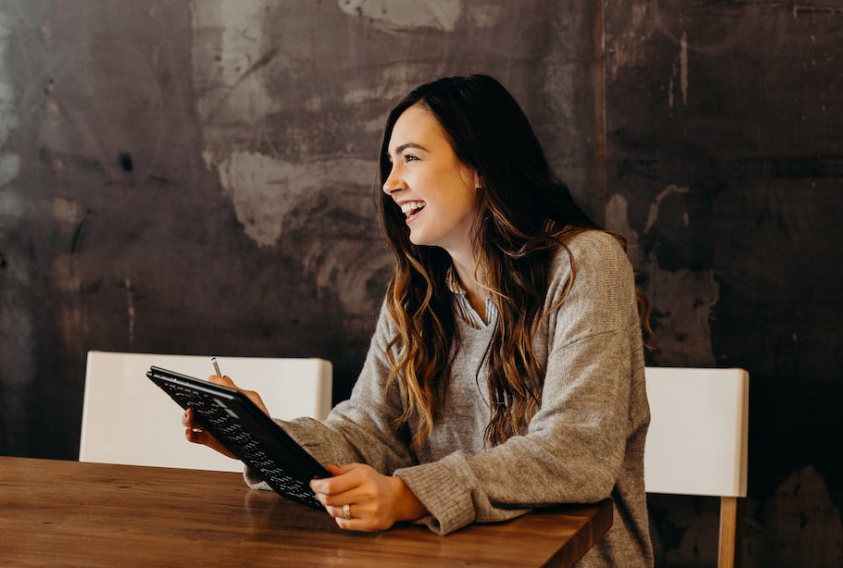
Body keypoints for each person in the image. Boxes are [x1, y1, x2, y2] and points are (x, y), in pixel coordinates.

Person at [183, 74, 654, 568]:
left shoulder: (586, 264)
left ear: (479, 166)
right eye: (390, 164)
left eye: (410, 157)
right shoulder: (415, 293)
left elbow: (576, 452)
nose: (390, 184)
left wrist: (410, 496)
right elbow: (369, 433)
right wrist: (264, 441)